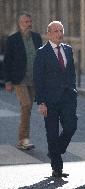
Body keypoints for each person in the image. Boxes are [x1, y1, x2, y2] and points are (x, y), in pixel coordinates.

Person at [33, 21, 77, 178]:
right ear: (49, 33)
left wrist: (73, 89)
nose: (60, 33)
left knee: (71, 126)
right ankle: (57, 168)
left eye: (61, 30)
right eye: (56, 31)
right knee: (51, 133)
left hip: (68, 97)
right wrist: (41, 102)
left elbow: (71, 72)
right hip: (50, 100)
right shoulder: (42, 52)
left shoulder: (68, 50)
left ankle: (55, 151)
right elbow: (38, 79)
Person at [3, 12, 42, 150]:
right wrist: (7, 80)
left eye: (30, 21)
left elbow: (41, 57)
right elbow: (7, 61)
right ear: (20, 24)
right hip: (19, 79)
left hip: (34, 79)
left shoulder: (37, 37)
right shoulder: (13, 39)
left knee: (28, 108)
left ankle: (23, 139)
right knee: (25, 105)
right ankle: (23, 138)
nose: (29, 24)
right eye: (26, 22)